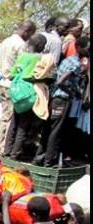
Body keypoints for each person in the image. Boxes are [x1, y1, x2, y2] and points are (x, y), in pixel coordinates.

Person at [35, 36, 89, 167]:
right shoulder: (75, 63)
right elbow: (61, 81)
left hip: (56, 99)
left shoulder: (68, 60)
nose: (88, 51)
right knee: (56, 131)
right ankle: (50, 161)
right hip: (63, 99)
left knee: (49, 128)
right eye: (87, 48)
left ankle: (40, 158)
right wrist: (72, 92)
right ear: (80, 48)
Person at [0, 20, 37, 155]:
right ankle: (0, 148)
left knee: (4, 116)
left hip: (1, 82)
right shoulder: (21, 45)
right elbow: (21, 67)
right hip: (12, 85)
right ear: (27, 31)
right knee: (9, 119)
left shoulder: (5, 42)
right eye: (31, 34)